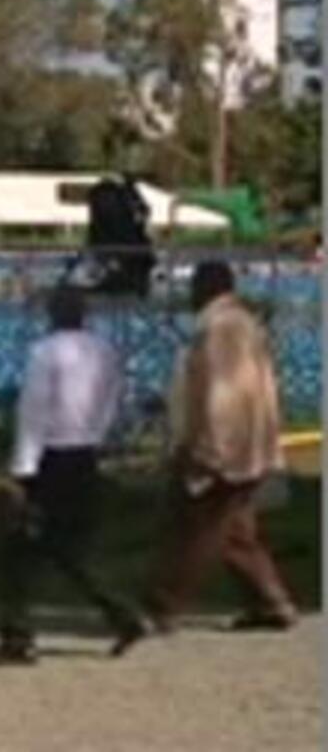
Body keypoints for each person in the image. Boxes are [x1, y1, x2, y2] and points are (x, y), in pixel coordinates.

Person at [0, 286, 146, 665]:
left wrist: (21, 470)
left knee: (16, 550)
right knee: (69, 548)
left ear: (53, 313)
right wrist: (96, 436)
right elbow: (112, 400)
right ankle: (121, 616)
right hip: (85, 455)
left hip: (50, 459)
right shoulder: (105, 350)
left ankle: (17, 636)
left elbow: (34, 412)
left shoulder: (45, 352)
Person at [141, 260, 297, 634]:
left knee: (193, 528)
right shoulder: (244, 325)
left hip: (224, 449)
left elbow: (221, 394)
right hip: (250, 445)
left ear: (207, 288)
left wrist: (209, 450)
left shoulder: (219, 329)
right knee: (235, 529)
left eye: (195, 286)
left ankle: (161, 606)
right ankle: (270, 600)